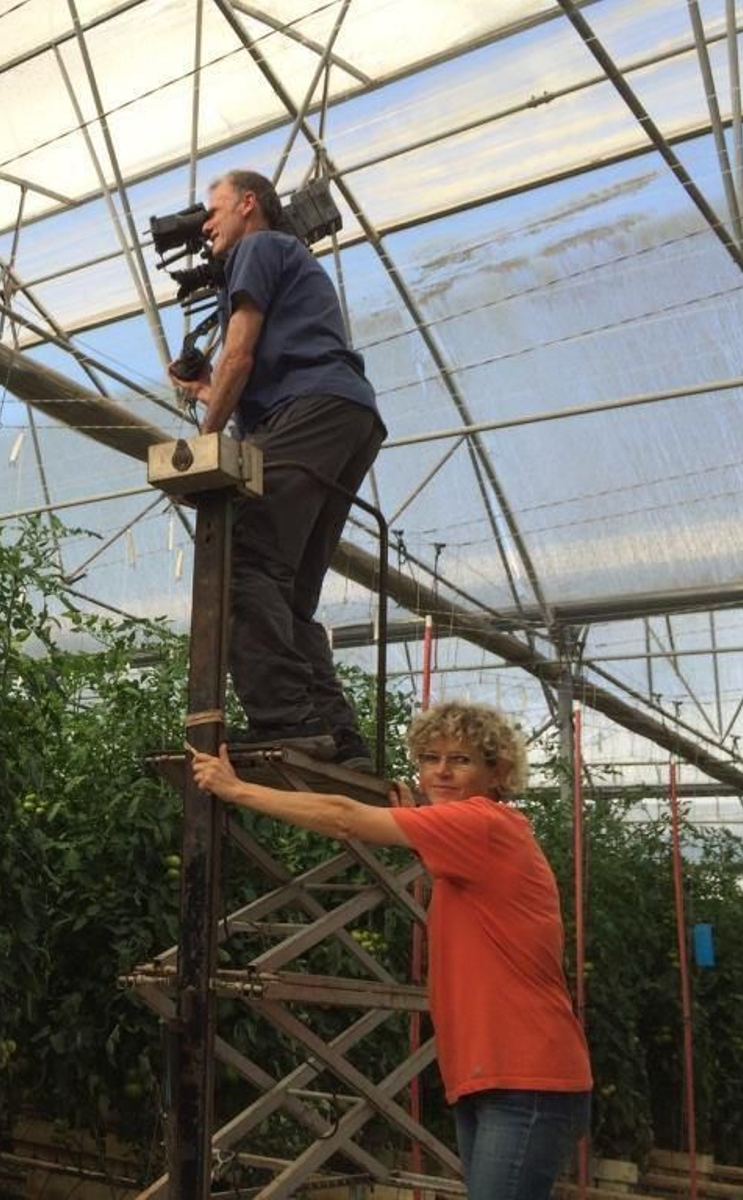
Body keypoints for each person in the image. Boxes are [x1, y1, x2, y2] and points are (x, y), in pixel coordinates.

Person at [190, 700, 592, 1200]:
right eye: (429, 757)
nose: (440, 770)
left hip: (526, 1078)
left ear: (499, 773)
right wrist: (410, 816)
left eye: (461, 760)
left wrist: (236, 789)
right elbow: (439, 857)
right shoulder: (468, 841)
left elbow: (344, 818)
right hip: (493, 1076)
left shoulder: (485, 824)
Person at [168, 168, 385, 770]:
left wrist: (203, 444)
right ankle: (340, 742)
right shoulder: (286, 258)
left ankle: (290, 721)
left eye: (212, 209)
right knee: (287, 594)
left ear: (248, 203)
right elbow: (251, 375)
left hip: (313, 410)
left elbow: (239, 349)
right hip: (344, 416)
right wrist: (209, 390)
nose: (205, 223)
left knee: (239, 565)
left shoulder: (259, 247)